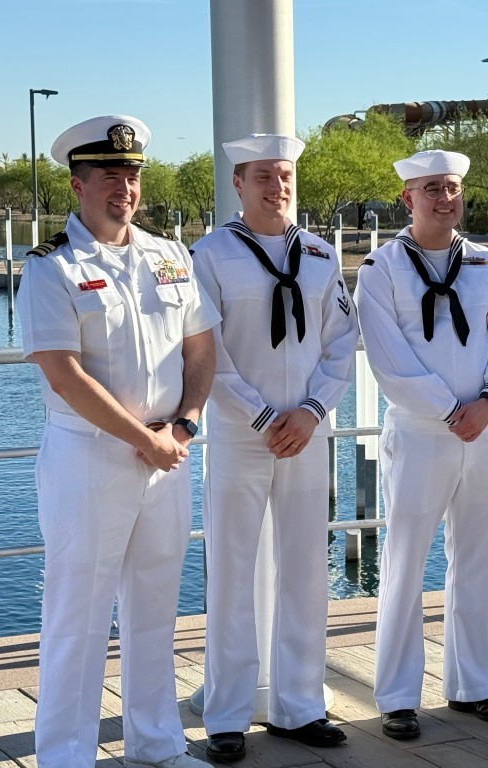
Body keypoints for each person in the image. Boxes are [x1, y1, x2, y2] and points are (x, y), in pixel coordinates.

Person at [17, 115, 218, 768]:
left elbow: (201, 347)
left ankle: (156, 746)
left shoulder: (169, 256)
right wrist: (146, 438)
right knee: (78, 616)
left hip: (169, 451)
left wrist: (182, 424)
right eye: (109, 175)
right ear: (78, 185)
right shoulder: (52, 269)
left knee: (156, 607)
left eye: (131, 175)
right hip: (89, 459)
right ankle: (66, 757)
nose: (123, 188)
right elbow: (63, 374)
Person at [192, 133, 358, 762]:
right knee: (233, 574)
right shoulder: (209, 255)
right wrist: (262, 415)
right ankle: (227, 715)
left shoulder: (319, 253)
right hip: (242, 435)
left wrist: (313, 411)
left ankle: (299, 705)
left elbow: (341, 342)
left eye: (284, 174)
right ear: (238, 184)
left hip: (307, 435)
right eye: (261, 175)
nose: (275, 185)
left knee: (306, 572)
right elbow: (206, 351)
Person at [354, 149, 488, 739]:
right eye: (431, 188)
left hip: (487, 429)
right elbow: (388, 360)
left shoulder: (484, 263)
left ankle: (474, 685)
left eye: (451, 187)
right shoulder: (380, 268)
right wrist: (451, 408)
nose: (444, 198)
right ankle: (398, 696)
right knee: (404, 565)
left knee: (477, 561)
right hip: (423, 432)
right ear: (407, 198)